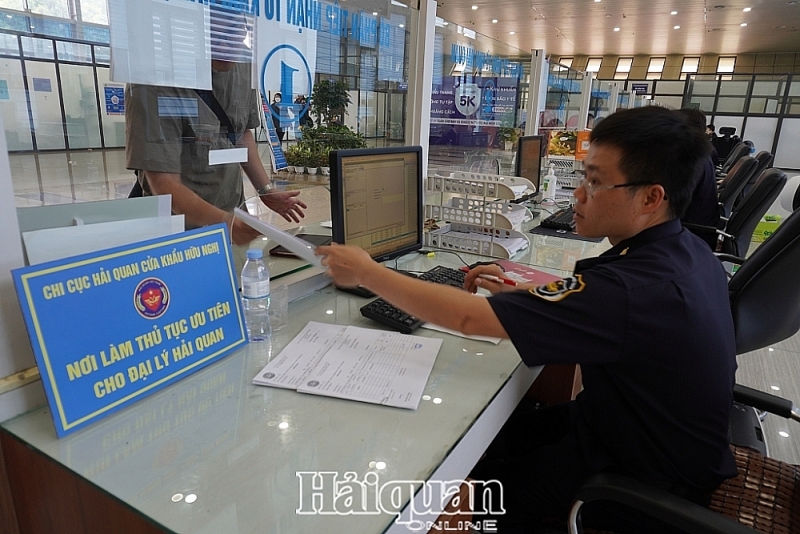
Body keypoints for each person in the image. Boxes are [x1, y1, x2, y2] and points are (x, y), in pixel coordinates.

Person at [316, 106, 737, 532]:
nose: (578, 193)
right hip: (625, 433)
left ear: (651, 197)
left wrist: (369, 272)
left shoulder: (633, 289)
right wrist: (526, 300)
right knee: (493, 441)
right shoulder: (685, 252)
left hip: (638, 482)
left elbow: (467, 318)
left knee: (443, 497)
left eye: (595, 182)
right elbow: (603, 313)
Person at [125, 7, 306, 247]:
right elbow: (164, 184)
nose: (229, 48)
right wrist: (226, 223)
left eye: (235, 34)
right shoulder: (153, 77)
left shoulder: (243, 63)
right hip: (177, 228)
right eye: (217, 38)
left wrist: (266, 190)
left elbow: (240, 133)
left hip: (230, 213)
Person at [678, 108, 721, 249]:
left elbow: (669, 202)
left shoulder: (690, 159)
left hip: (693, 234)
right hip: (701, 229)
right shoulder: (701, 152)